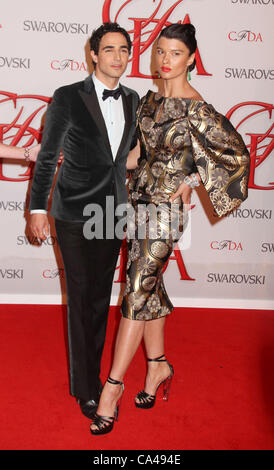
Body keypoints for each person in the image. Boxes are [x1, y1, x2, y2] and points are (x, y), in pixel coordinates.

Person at [90, 23, 250, 435]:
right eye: (160, 51)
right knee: (148, 285)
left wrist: (195, 180)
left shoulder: (199, 111)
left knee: (137, 287)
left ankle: (112, 387)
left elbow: (238, 157)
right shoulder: (148, 102)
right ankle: (158, 365)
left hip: (166, 212)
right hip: (137, 200)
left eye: (175, 53)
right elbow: (136, 157)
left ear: (191, 58)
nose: (165, 60)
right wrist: (84, 161)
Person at [28, 22, 139, 419]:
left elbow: (131, 157)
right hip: (73, 211)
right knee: (80, 297)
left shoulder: (132, 99)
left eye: (124, 50)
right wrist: (37, 209)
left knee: (97, 299)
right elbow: (46, 157)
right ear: (93, 54)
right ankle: (86, 388)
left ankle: (95, 378)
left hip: (111, 211)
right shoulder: (67, 97)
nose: (118, 57)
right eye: (109, 50)